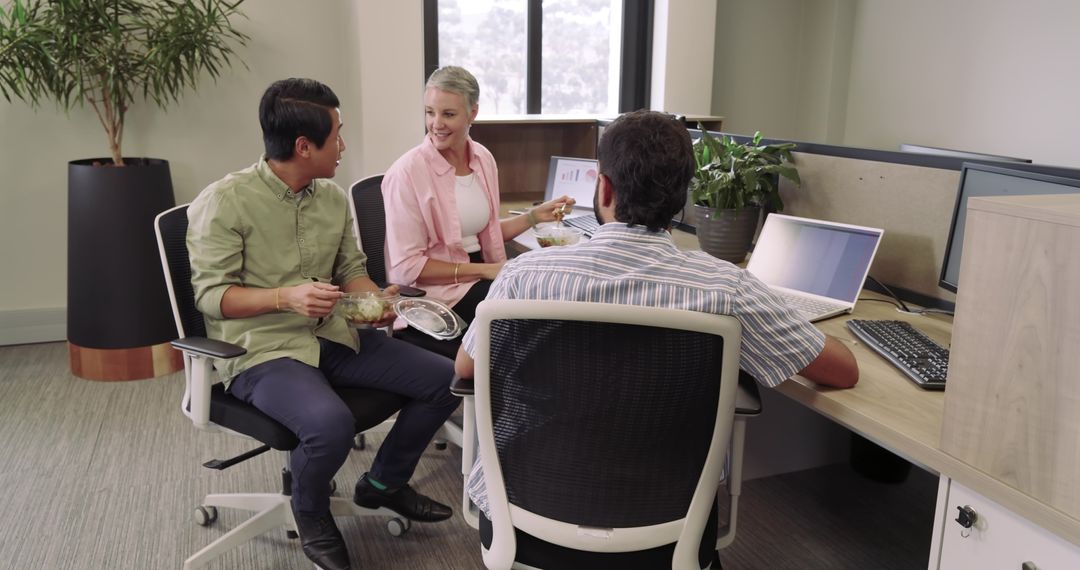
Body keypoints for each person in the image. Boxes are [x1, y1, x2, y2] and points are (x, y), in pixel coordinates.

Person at [454, 109, 859, 519]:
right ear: (683, 197)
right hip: (669, 521)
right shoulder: (726, 288)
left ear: (604, 188)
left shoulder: (524, 276)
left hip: (522, 508)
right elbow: (842, 371)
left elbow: (466, 367)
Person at [187, 78, 459, 570]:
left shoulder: (331, 198)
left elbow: (351, 269)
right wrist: (285, 297)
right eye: (337, 135)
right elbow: (211, 296)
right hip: (263, 351)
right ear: (303, 146)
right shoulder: (225, 201)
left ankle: (383, 483)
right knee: (330, 426)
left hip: (333, 335)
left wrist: (375, 301)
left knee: (448, 380)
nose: (343, 146)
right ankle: (310, 512)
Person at [382, 66, 574, 357]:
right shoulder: (406, 173)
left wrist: (534, 217)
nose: (436, 124)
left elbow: (485, 232)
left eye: (448, 114)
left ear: (473, 113)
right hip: (437, 292)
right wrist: (487, 271)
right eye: (430, 112)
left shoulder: (483, 159)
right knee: (531, 316)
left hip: (481, 275)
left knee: (551, 291)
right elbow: (407, 267)